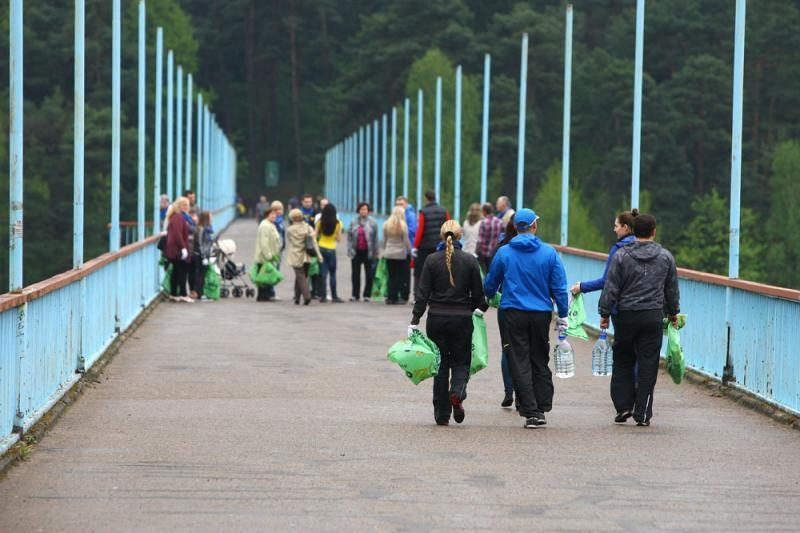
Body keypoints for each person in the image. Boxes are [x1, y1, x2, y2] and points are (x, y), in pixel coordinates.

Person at [484, 208, 569, 429]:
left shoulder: (504, 253)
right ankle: (542, 405)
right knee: (539, 357)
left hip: (512, 312)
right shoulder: (549, 253)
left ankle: (531, 411)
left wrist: (489, 296)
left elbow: (491, 284)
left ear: (514, 227)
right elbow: (559, 288)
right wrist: (563, 314)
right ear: (534, 226)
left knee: (518, 359)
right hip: (541, 313)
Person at [598, 213, 680, 427]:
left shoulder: (622, 256)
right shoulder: (665, 257)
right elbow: (671, 289)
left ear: (634, 231)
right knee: (648, 363)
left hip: (626, 315)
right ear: (653, 231)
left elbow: (611, 287)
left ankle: (623, 405)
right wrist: (673, 313)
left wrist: (604, 313)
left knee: (623, 359)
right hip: (653, 315)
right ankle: (642, 412)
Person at [410, 220, 488, 426]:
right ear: (460, 236)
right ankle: (458, 391)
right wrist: (475, 308)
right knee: (461, 361)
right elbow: (479, 296)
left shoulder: (431, 260)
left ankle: (441, 414)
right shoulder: (470, 261)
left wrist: (415, 320)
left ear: (441, 236)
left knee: (441, 365)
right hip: (462, 319)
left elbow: (422, 293)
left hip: (436, 318)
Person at [571, 209, 638, 296]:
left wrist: (581, 287)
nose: (614, 230)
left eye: (616, 226)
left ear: (625, 227)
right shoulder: (646, 249)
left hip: (620, 305)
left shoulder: (618, 249)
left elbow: (606, 281)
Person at [494, 217, 518, 408]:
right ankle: (523, 393)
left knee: (507, 348)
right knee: (527, 351)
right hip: (534, 307)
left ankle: (508, 391)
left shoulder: (502, 248)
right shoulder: (540, 249)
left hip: (507, 304)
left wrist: (489, 296)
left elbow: (492, 278)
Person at [413, 190, 450, 288]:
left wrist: (415, 246)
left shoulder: (423, 212)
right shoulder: (444, 211)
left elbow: (420, 230)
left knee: (421, 270)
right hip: (440, 246)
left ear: (426, 199)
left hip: (425, 246)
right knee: (439, 270)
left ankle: (419, 294)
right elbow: (448, 227)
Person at [286, 208, 322, 305]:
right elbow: (314, 242)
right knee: (302, 276)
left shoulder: (289, 230)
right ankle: (297, 298)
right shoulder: (308, 228)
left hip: (296, 255)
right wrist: (319, 255)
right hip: (307, 254)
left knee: (300, 276)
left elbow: (290, 241)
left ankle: (306, 296)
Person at [164, 196, 194, 302]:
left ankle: (173, 294)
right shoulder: (178, 217)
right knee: (182, 271)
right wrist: (183, 248)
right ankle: (183, 294)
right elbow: (177, 234)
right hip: (177, 249)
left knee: (176, 271)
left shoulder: (176, 216)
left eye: (187, 205)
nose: (187, 207)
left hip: (174, 249)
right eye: (184, 205)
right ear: (179, 205)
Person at [347, 202, 379, 301]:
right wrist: (349, 250)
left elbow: (375, 238)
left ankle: (367, 295)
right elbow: (349, 237)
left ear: (368, 211)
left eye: (365, 209)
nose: (363, 211)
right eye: (361, 209)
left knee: (369, 274)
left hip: (368, 252)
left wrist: (376, 252)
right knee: (355, 274)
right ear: (358, 210)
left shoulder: (373, 222)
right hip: (356, 251)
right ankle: (355, 295)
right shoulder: (353, 221)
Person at [382, 206, 412, 304]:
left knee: (391, 276)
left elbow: (384, 240)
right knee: (399, 276)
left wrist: (385, 249)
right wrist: (410, 251)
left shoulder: (386, 224)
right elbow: (406, 240)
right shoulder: (403, 225)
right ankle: (396, 297)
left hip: (389, 253)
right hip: (400, 254)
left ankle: (390, 297)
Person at [315, 203, 344, 303]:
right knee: (333, 274)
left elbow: (315, 236)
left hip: (321, 248)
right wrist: (334, 236)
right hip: (331, 249)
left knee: (323, 274)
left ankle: (323, 296)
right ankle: (334, 296)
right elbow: (339, 239)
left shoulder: (320, 222)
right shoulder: (338, 223)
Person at [254, 207, 282, 301]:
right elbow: (264, 243)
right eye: (271, 214)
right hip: (264, 257)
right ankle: (262, 296)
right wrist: (269, 256)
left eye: (275, 214)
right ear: (267, 215)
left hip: (269, 255)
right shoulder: (265, 226)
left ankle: (265, 296)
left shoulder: (270, 224)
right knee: (263, 276)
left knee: (266, 276)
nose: (274, 216)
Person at [475, 202, 504, 274]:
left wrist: (477, 250)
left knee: (485, 273)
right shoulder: (499, 221)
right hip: (495, 252)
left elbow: (480, 240)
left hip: (484, 253)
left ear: (484, 211)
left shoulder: (483, 222)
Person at [192, 211, 215, 300]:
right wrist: (204, 257)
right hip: (201, 255)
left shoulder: (207, 228)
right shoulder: (202, 229)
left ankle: (200, 292)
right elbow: (200, 243)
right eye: (210, 217)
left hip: (204, 254)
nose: (212, 218)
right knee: (200, 274)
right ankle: (199, 293)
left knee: (201, 274)